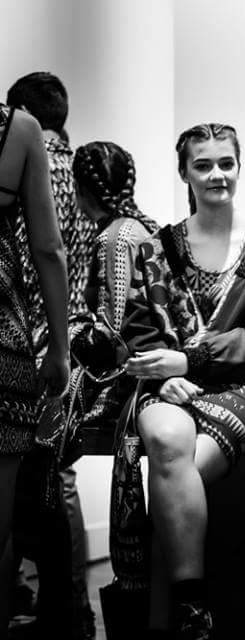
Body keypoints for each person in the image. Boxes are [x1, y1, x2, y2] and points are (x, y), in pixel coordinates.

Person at [122, 123, 245, 639]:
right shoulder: (156, 249)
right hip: (168, 387)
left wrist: (186, 361)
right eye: (203, 165)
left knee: (174, 479)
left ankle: (173, 618)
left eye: (226, 163)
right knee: (165, 439)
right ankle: (192, 614)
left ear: (240, 167)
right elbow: (138, 331)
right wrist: (163, 378)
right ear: (185, 173)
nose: (217, 174)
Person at [6, 71, 98, 639]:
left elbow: (35, 254)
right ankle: (72, 605)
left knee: (28, 476)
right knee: (57, 474)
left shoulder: (25, 163)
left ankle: (44, 599)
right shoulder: (84, 170)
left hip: (29, 336)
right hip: (75, 337)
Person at [0, 103, 69, 638]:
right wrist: (59, 349)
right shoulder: (18, 129)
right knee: (2, 518)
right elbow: (48, 249)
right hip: (3, 340)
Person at [70, 141, 159, 435]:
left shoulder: (114, 239)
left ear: (80, 188)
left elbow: (110, 335)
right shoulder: (139, 226)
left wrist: (66, 336)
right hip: (146, 366)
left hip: (126, 382)